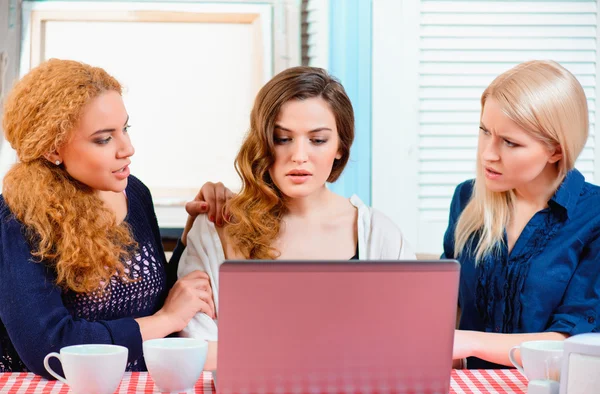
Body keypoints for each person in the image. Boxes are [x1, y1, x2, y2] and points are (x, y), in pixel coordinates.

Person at [177, 66, 416, 369]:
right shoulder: (218, 227)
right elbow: (195, 349)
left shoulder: (379, 234)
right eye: (282, 138)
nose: (299, 156)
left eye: (317, 140)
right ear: (262, 142)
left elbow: (408, 341)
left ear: (340, 147)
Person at [0, 59, 213, 378]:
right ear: (52, 148)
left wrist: (190, 236)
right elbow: (50, 348)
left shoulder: (135, 193)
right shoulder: (20, 218)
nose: (128, 148)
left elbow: (148, 295)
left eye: (125, 128)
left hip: (133, 384)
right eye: (103, 139)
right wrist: (167, 321)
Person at [445, 60, 600, 369]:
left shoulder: (593, 216)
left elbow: (572, 342)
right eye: (484, 131)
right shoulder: (467, 198)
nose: (488, 153)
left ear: (556, 150)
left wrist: (469, 341)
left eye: (510, 142)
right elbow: (445, 302)